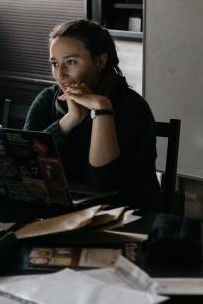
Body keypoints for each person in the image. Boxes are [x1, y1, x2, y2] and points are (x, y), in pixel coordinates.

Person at [24, 19, 161, 210]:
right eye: (55, 63)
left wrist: (102, 109)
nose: (60, 73)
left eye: (71, 62)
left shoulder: (132, 107)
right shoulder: (47, 99)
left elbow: (104, 185)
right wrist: (69, 120)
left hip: (125, 214)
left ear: (99, 61)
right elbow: (25, 164)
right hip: (61, 211)